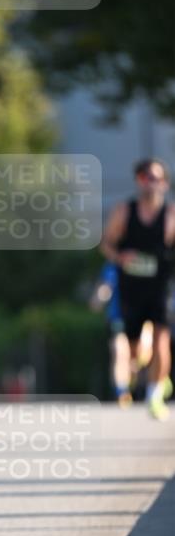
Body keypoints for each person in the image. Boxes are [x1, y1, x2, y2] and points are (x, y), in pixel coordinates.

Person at [100, 158, 175, 419]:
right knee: (134, 352)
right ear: (138, 181)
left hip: (160, 287)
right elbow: (106, 244)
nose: (149, 183)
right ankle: (155, 375)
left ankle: (155, 395)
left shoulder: (171, 215)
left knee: (161, 338)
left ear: (164, 183)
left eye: (154, 177)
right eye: (144, 177)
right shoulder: (124, 212)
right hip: (131, 288)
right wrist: (120, 257)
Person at [89, 261, 153, 407]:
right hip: (118, 318)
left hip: (142, 317)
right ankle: (122, 392)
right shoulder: (112, 266)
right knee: (119, 352)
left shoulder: (144, 262)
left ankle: (140, 382)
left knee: (140, 356)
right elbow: (106, 287)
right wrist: (98, 298)